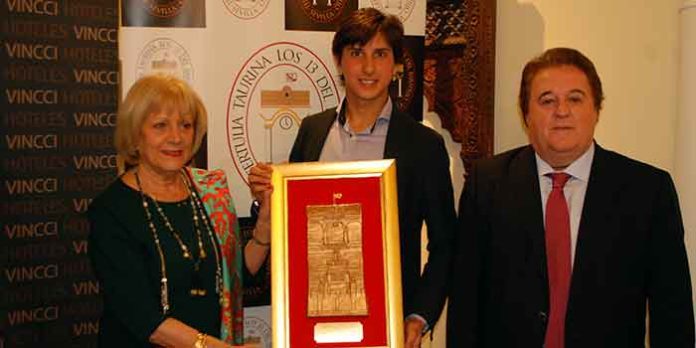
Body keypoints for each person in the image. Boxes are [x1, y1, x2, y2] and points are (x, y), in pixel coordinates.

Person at [446, 47, 694, 347]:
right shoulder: (486, 185)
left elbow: (673, 315)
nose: (561, 111)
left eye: (575, 99)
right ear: (526, 114)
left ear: (596, 110)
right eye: (547, 100)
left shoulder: (648, 191)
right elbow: (465, 306)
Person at [249, 8, 457, 347]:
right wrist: (267, 198)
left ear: (396, 65)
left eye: (380, 54)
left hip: (387, 324)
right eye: (357, 53)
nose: (369, 67)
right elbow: (291, 229)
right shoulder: (312, 131)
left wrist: (418, 317)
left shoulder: (423, 145)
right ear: (339, 60)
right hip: (311, 320)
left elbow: (446, 245)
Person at [88, 74, 271, 347]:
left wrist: (263, 234)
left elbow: (234, 278)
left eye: (185, 125)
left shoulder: (210, 190)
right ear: (135, 134)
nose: (176, 137)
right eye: (160, 125)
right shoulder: (111, 210)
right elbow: (146, 320)